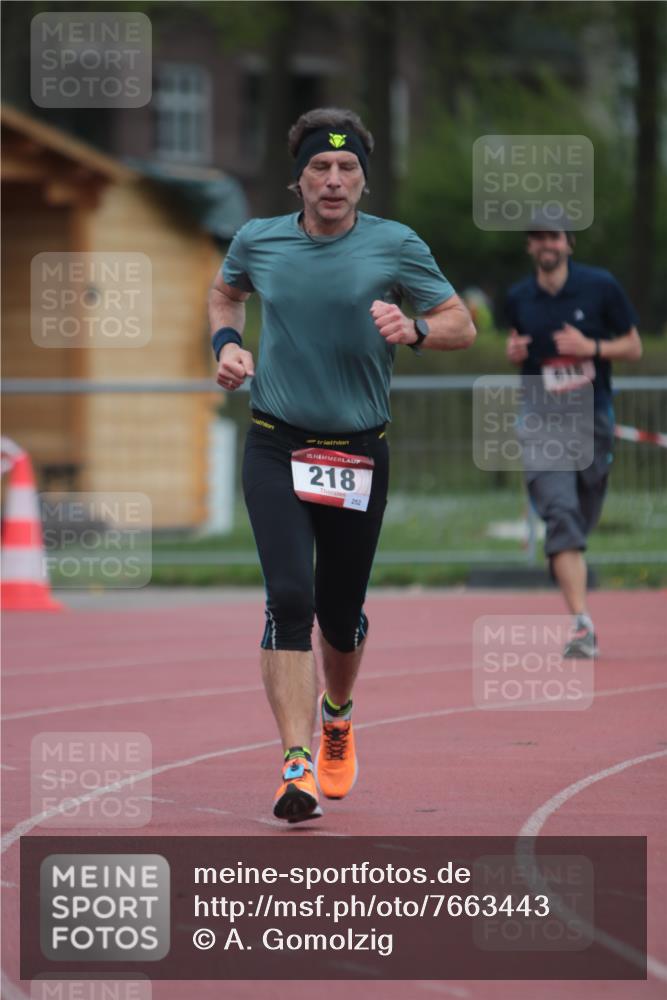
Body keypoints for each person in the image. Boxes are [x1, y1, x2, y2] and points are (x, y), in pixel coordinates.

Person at [208, 107, 476, 823]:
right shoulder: (257, 241)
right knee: (289, 598)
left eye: (347, 168)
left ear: (362, 178)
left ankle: (336, 713)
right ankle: (294, 765)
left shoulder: (396, 245)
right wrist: (227, 345)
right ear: (297, 181)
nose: (333, 180)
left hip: (357, 451)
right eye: (320, 169)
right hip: (274, 441)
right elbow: (223, 292)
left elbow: (461, 324)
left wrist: (415, 328)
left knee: (340, 614)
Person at [505, 218, 642, 657]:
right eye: (539, 238)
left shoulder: (600, 287)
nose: (547, 244)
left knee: (581, 513)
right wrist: (515, 354)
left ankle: (568, 562)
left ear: (568, 243)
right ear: (530, 247)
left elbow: (634, 346)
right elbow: (518, 348)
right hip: (541, 418)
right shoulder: (518, 297)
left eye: (555, 237)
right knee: (560, 515)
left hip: (592, 417)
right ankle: (582, 623)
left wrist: (592, 349)